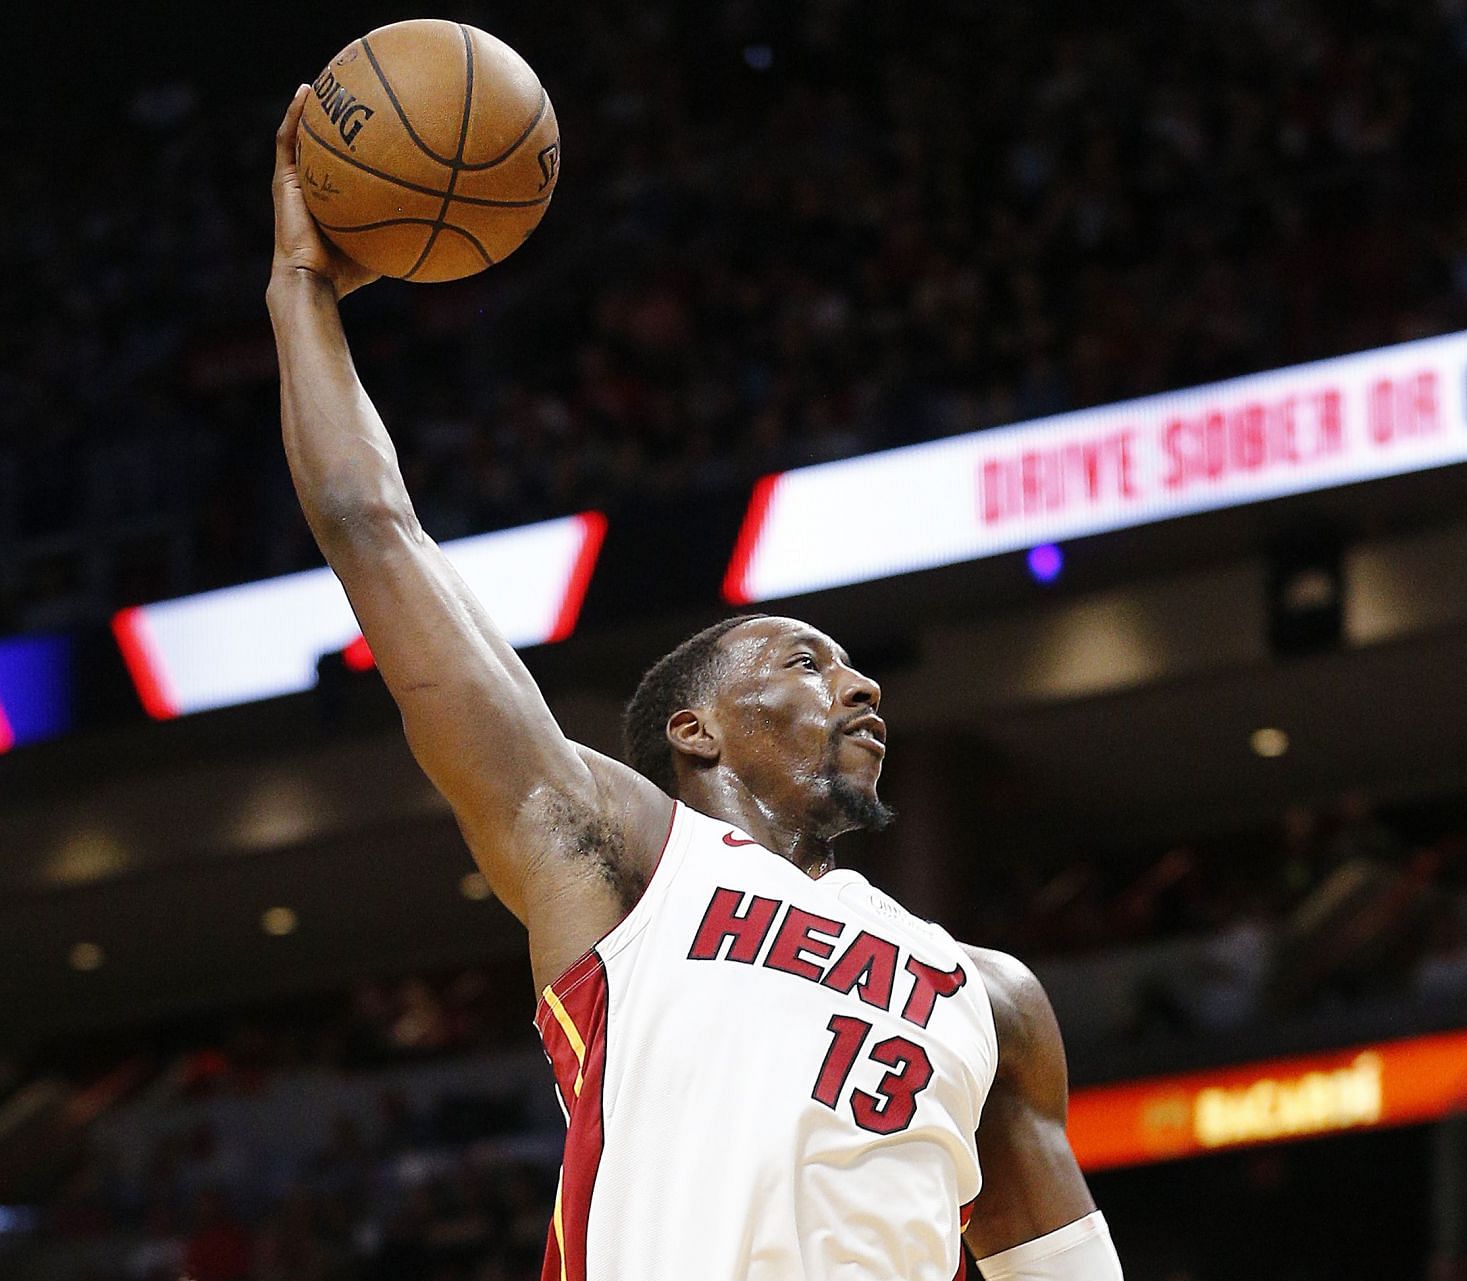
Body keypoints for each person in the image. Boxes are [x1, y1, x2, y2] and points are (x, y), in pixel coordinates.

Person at [266, 86, 1121, 1281]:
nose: (863, 686)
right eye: (809, 661)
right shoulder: (622, 860)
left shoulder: (995, 996)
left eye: (862, 668)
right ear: (695, 731)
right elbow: (373, 525)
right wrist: (300, 291)